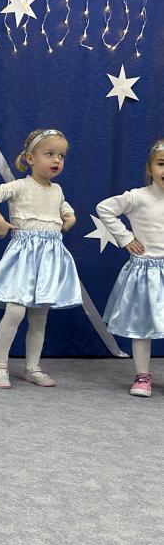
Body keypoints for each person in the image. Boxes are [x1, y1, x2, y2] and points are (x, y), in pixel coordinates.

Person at [0, 129, 80, 388]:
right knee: (15, 311)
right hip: (23, 257)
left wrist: (69, 219)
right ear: (30, 158)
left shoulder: (57, 190)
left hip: (49, 258)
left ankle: (33, 366)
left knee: (39, 315)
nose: (56, 160)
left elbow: (65, 210)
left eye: (61, 156)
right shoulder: (20, 186)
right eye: (49, 154)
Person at [96, 139, 164, 396]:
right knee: (141, 326)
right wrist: (125, 238)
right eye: (162, 164)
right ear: (149, 168)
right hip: (146, 272)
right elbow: (105, 208)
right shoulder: (138, 197)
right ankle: (142, 376)